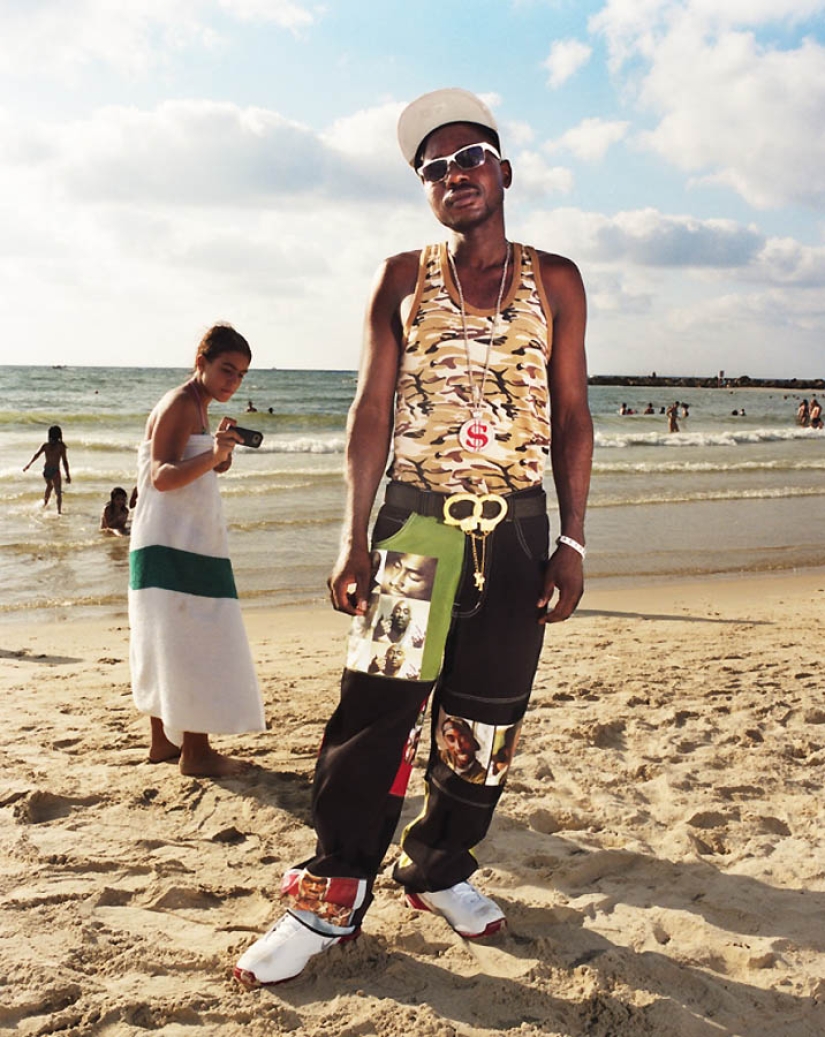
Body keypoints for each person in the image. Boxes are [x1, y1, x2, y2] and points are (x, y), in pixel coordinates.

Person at [235, 87, 592, 987]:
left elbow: (572, 415)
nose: (452, 174)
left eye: (468, 158)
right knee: (374, 718)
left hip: (517, 530)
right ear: (425, 190)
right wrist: (352, 537)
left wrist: (573, 540)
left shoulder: (556, 279)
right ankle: (329, 894)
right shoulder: (400, 276)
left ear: (503, 172)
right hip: (417, 528)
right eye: (433, 168)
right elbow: (369, 410)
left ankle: (435, 868)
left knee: (486, 723)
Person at [128, 324, 265, 777]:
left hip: (175, 538)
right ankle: (197, 753)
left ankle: (163, 743)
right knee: (194, 638)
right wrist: (211, 456)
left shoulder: (198, 406)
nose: (233, 381)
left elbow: (192, 470)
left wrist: (218, 454)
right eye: (226, 369)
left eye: (241, 375)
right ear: (200, 362)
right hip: (175, 542)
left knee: (168, 636)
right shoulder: (180, 403)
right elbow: (162, 476)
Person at [23, 425, 71, 514]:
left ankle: (45, 504)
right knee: (58, 492)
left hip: (46, 471)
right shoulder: (61, 446)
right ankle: (59, 511)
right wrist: (68, 475)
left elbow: (36, 455)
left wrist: (28, 465)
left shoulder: (46, 445)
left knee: (49, 486)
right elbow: (65, 462)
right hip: (55, 471)